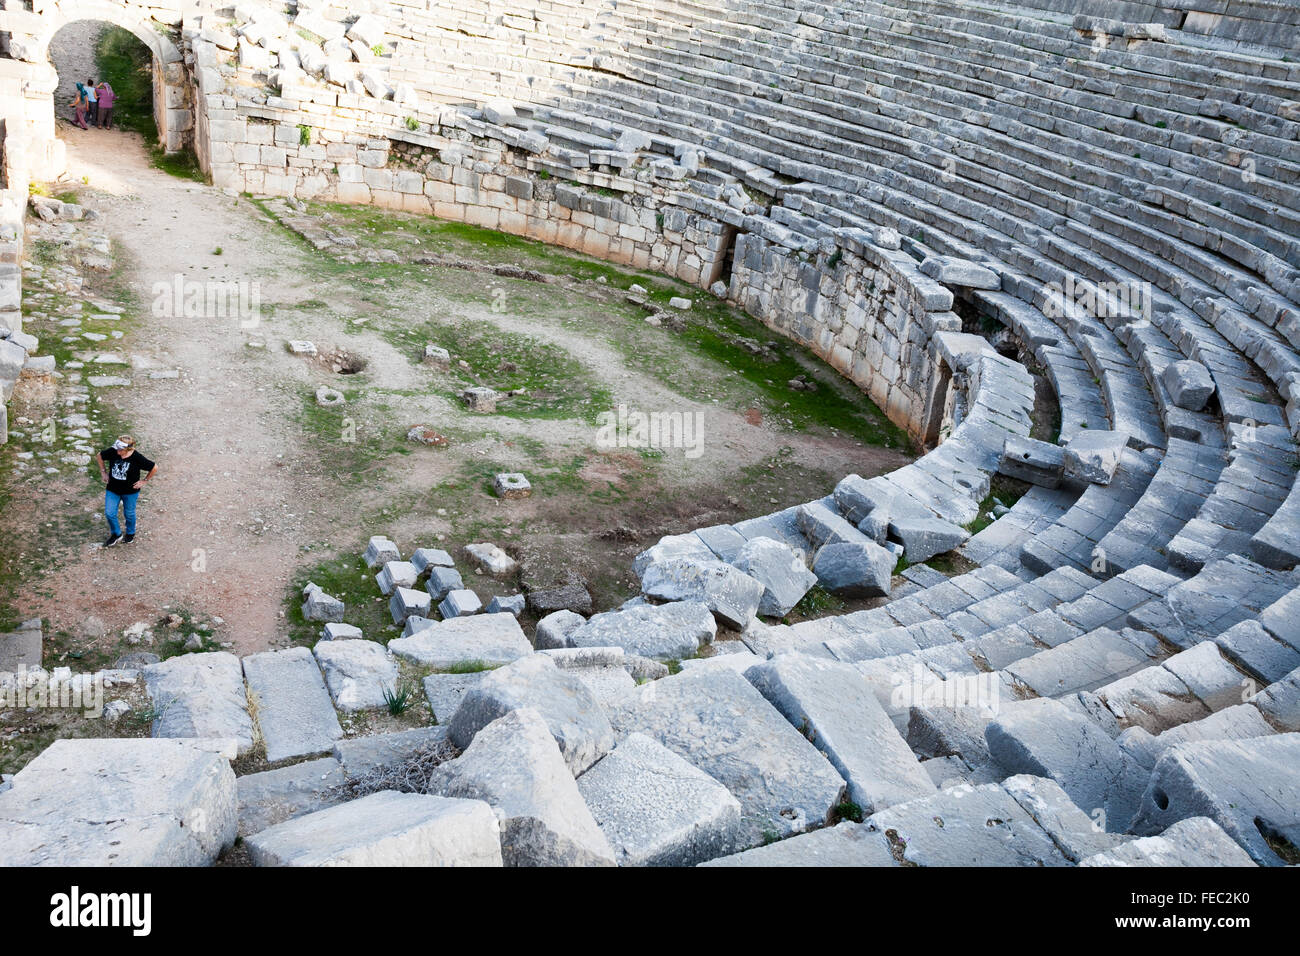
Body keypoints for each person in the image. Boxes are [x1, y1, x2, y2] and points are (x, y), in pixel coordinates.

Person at [96, 436, 157, 547]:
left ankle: (130, 533)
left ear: (128, 449)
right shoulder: (114, 451)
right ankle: (116, 534)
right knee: (109, 513)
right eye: (117, 449)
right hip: (112, 489)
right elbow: (99, 456)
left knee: (129, 514)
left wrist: (145, 481)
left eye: (120, 450)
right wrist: (103, 472)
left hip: (130, 492)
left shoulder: (137, 458)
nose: (117, 452)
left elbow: (154, 467)